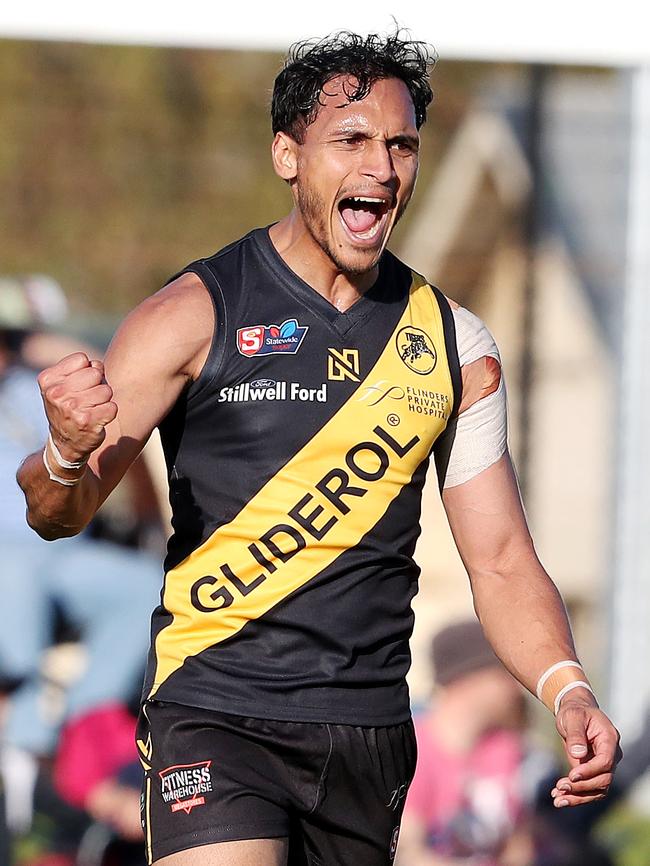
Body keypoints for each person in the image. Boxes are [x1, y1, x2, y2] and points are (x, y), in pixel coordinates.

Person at [16, 30, 620, 866]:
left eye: (401, 144)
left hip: (366, 734)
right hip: (214, 708)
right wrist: (66, 453)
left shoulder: (454, 344)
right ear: (288, 155)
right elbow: (57, 513)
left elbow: (504, 562)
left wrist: (569, 690)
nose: (380, 166)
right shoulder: (189, 315)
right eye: (351, 140)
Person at [397, 619, 544, 866]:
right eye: (508, 673)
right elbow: (406, 855)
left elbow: (519, 849)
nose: (519, 687)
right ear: (471, 678)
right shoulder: (414, 751)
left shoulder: (505, 749)